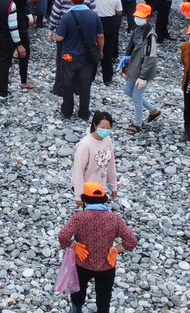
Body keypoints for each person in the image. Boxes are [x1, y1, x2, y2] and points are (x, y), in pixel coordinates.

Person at [58, 182, 138, 313]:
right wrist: (116, 249)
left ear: (85, 200)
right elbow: (132, 241)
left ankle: (76, 310)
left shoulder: (79, 218)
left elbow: (63, 236)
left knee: (78, 292)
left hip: (83, 263)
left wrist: (75, 246)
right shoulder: (114, 219)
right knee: (104, 300)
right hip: (107, 264)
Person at [54, 0, 103, 120]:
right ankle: (83, 113)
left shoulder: (67, 17)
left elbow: (59, 38)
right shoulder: (94, 16)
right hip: (86, 58)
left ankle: (67, 111)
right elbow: (100, 36)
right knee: (85, 86)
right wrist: (100, 51)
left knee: (68, 84)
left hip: (69, 57)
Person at [118, 3, 161, 133]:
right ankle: (153, 110)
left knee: (136, 97)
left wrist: (143, 76)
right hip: (134, 67)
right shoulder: (137, 30)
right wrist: (125, 66)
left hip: (143, 70)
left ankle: (137, 124)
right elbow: (130, 49)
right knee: (128, 91)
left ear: (148, 17)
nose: (138, 19)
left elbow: (150, 58)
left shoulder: (150, 36)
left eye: (141, 17)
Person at [71, 112, 120, 199]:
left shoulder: (107, 141)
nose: (105, 130)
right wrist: (78, 195)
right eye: (102, 127)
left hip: (100, 188)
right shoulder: (85, 145)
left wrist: (113, 186)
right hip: (87, 190)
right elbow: (78, 171)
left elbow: (110, 165)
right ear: (95, 125)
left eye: (108, 128)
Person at [92, 0, 123, 84]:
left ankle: (91, 76)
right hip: (110, 23)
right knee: (108, 51)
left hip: (95, 21)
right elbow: (119, 11)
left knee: (93, 49)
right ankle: (107, 78)